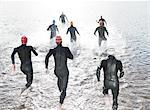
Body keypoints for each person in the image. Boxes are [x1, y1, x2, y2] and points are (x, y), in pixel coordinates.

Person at [45, 36, 73, 109]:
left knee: (59, 80)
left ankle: (60, 92)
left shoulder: (53, 50)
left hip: (56, 71)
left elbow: (47, 57)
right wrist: (66, 54)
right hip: (64, 71)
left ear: (56, 42)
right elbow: (71, 57)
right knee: (64, 89)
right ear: (61, 41)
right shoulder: (66, 49)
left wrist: (46, 67)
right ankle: (60, 105)